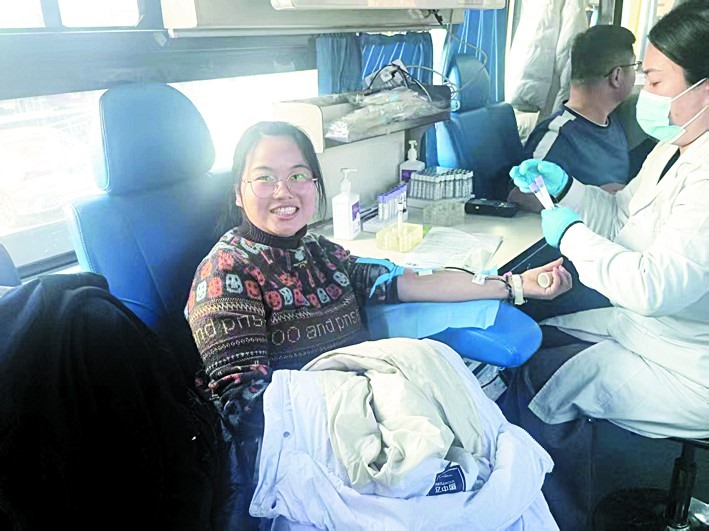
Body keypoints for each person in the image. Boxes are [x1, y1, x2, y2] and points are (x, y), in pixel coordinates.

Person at [185, 120, 572, 528]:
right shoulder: (226, 271)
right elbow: (244, 407)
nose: (284, 191)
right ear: (239, 192)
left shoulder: (321, 252)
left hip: (374, 415)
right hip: (307, 442)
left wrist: (514, 284)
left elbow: (407, 280)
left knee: (490, 472)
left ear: (315, 185)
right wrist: (358, 408)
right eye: (265, 178)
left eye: (298, 175)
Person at [502, 1, 709, 529]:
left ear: (704, 89)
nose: (646, 94)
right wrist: (566, 189)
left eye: (657, 81)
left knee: (535, 379)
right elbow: (620, 216)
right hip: (653, 332)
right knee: (537, 337)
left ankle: (554, 516)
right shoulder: (677, 147)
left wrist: (571, 235)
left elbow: (653, 287)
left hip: (688, 366)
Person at [508, 24, 638, 214]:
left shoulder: (611, 120)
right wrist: (590, 197)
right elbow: (519, 196)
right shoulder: (558, 135)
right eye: (634, 66)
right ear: (616, 76)